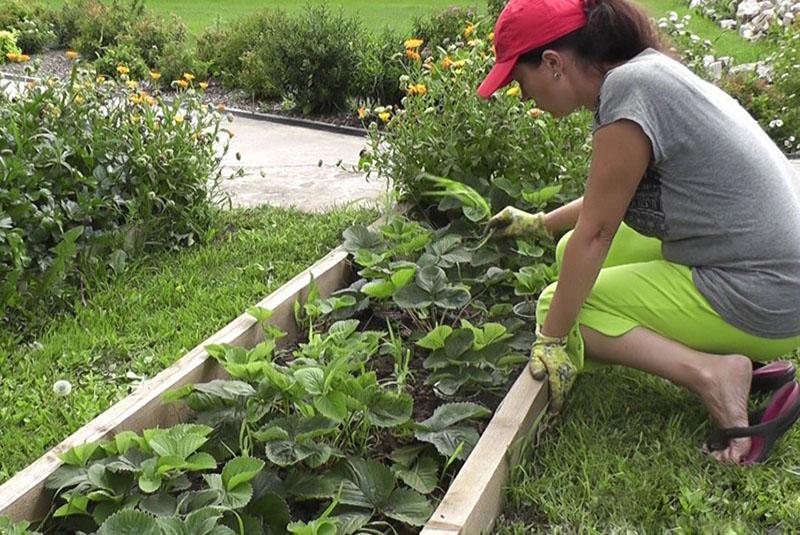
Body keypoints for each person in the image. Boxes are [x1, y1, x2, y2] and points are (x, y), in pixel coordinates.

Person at [480, 0, 800, 464]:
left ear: (552, 63)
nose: (521, 95)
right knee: (570, 250)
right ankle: (729, 355)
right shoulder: (643, 74)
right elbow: (611, 200)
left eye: (517, 79)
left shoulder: (629, 91)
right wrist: (542, 224)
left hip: (764, 297)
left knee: (560, 306)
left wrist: (551, 341)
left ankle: (713, 372)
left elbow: (599, 232)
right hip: (767, 267)